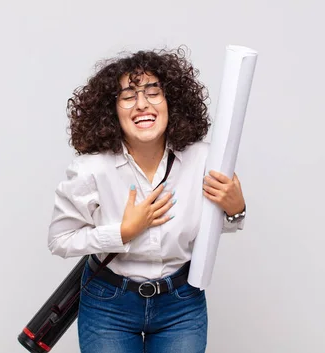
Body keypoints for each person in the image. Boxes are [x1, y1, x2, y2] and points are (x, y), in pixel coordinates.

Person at [47, 47, 246, 353]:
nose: (142, 104)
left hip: (181, 302)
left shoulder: (205, 159)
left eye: (153, 93)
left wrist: (236, 210)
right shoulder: (91, 169)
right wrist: (123, 232)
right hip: (108, 303)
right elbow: (60, 239)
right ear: (112, 109)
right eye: (128, 96)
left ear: (171, 103)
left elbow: (214, 224)